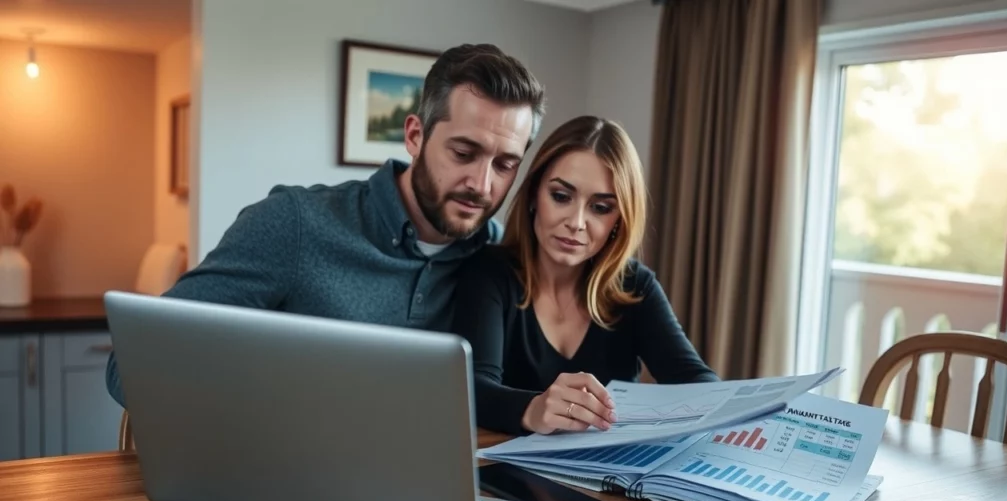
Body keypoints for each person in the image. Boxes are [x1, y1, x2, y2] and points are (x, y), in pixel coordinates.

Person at [105, 43, 547, 407]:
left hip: (417, 487)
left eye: (505, 164)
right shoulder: (294, 223)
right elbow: (132, 367)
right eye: (463, 153)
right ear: (414, 135)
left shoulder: (492, 256)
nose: (482, 184)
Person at [450, 115, 720, 437]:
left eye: (600, 208)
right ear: (535, 195)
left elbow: (698, 383)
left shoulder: (635, 286)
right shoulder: (489, 273)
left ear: (619, 220)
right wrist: (535, 409)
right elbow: (471, 390)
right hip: (504, 477)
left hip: (605, 482)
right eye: (561, 197)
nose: (577, 222)